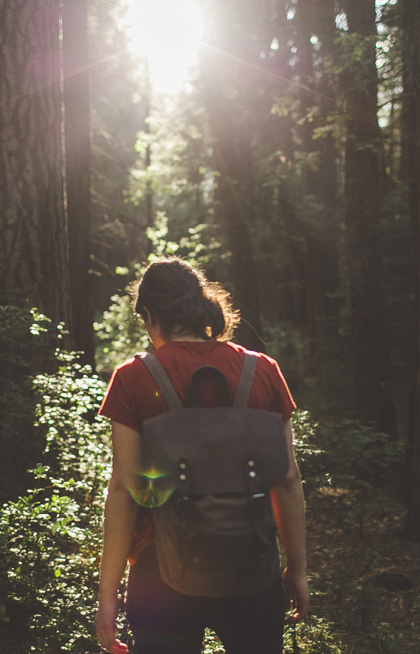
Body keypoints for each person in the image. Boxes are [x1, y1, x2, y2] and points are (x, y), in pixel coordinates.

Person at [95, 256, 310, 654]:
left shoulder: (133, 377)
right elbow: (287, 479)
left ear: (150, 314)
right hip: (253, 569)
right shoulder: (262, 370)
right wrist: (297, 569)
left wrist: (108, 593)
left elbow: (125, 491)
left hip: (160, 574)